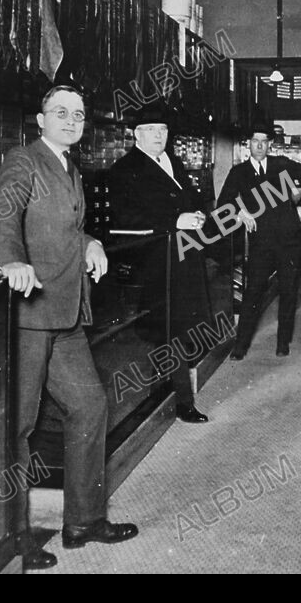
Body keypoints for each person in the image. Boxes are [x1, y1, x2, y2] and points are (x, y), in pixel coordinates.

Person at [0, 84, 137, 568]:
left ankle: (83, 521)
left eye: (78, 114)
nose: (71, 121)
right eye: (61, 112)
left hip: (67, 313)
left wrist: (92, 241)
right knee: (18, 426)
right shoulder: (24, 159)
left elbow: (64, 227)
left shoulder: (70, 166)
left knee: (90, 405)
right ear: (40, 119)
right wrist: (10, 261)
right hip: (32, 314)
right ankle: (10, 538)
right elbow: (3, 213)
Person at [107, 104, 211, 424]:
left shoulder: (173, 161)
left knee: (178, 329)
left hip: (185, 256)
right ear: (136, 135)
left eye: (163, 130)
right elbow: (125, 218)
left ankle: (162, 392)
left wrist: (196, 213)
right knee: (170, 329)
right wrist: (174, 220)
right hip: (156, 262)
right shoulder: (124, 169)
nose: (158, 136)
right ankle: (181, 401)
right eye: (151, 130)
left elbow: (189, 198)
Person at [217, 122, 301, 359]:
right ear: (248, 144)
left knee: (288, 290)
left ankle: (283, 343)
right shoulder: (239, 172)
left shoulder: (281, 164)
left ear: (270, 144)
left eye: (264, 141)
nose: (260, 146)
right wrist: (241, 212)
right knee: (253, 292)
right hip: (261, 242)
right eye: (255, 141)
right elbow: (224, 201)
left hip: (289, 239)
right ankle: (241, 346)